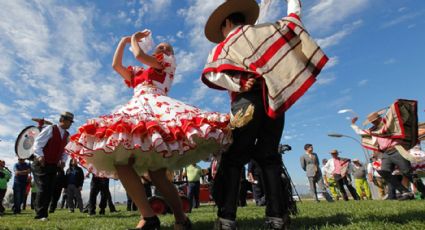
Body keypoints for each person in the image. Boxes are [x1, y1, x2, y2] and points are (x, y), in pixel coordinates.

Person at [66, 29, 231, 229]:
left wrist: (134, 39)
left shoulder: (167, 64)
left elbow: (138, 54)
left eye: (166, 48)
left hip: (158, 108)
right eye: (159, 46)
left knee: (158, 175)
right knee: (120, 161)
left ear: (171, 54)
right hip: (137, 107)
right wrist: (123, 40)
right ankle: (149, 216)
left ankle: (181, 217)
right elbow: (116, 65)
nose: (161, 49)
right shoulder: (140, 71)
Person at [202, 0, 324, 228]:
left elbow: (212, 73)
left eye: (222, 28)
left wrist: (238, 82)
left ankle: (227, 218)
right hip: (274, 100)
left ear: (227, 22)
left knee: (234, 156)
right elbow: (294, 18)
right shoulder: (267, 30)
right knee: (269, 156)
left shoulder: (226, 44)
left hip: (246, 104)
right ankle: (277, 217)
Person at [351, 102, 425, 200]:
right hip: (386, 153)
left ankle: (423, 190)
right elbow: (361, 132)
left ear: (379, 118)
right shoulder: (373, 130)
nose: (373, 123)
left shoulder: (389, 124)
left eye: (374, 120)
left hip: (396, 150)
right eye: (372, 122)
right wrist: (353, 124)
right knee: (384, 172)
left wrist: (396, 107)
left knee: (407, 172)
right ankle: (405, 192)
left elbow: (398, 118)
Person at [32, 112, 73, 221]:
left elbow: (66, 150)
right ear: (63, 120)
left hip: (53, 165)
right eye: (70, 121)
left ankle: (44, 214)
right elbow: (38, 143)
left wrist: (63, 160)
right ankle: (40, 215)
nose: (71, 124)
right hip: (41, 163)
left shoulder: (66, 135)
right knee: (43, 187)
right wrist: (40, 156)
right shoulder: (50, 129)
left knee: (49, 189)